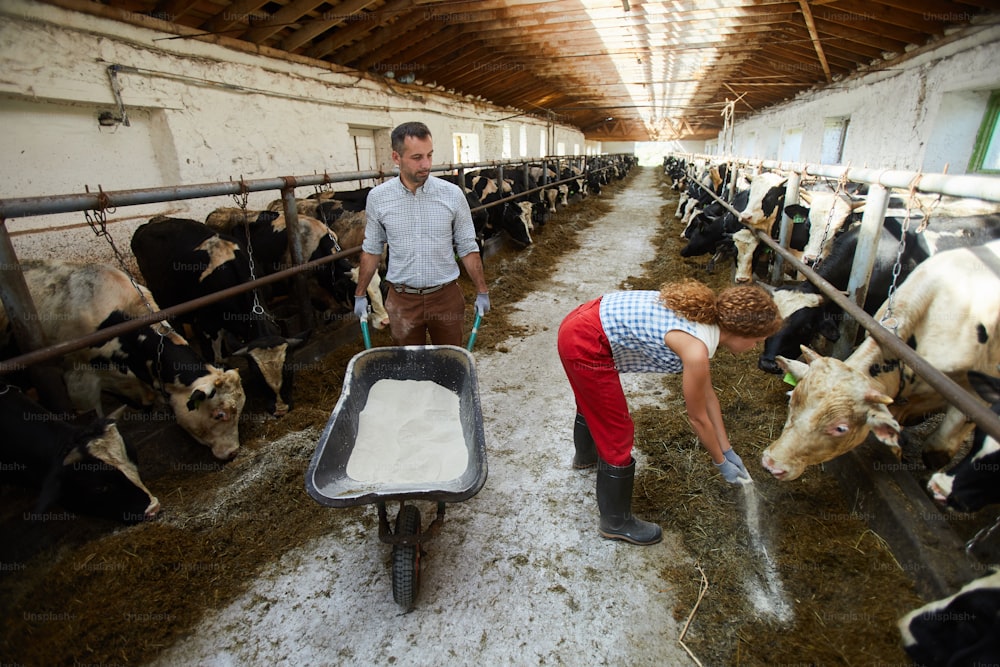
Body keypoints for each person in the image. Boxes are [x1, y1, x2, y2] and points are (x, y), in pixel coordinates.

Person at [557, 279, 783, 545]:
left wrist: (727, 449)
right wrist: (719, 462)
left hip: (582, 320)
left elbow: (709, 397)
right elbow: (698, 417)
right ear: (740, 332)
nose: (755, 347)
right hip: (584, 341)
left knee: (591, 403)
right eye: (757, 341)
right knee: (617, 430)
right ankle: (615, 522)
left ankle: (585, 457)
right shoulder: (696, 349)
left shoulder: (707, 318)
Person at [353, 121, 489, 346]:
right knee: (409, 369)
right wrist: (360, 295)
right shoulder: (378, 198)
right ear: (396, 158)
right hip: (402, 301)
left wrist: (482, 290)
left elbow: (467, 246)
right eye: (417, 157)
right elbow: (372, 249)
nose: (426, 164)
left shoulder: (452, 195)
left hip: (445, 297)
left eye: (429, 155)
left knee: (449, 363)